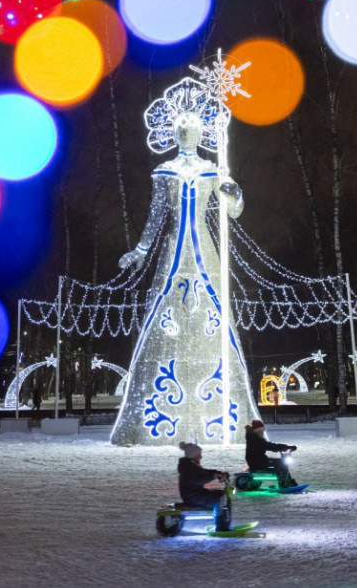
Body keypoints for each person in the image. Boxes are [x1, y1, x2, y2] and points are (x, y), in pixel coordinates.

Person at [109, 87, 260, 446]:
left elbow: (233, 211)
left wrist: (234, 192)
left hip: (206, 252)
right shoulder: (164, 172)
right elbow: (157, 216)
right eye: (181, 126)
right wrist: (142, 250)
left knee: (216, 316)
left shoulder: (212, 170)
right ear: (173, 133)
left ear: (202, 132)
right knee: (164, 317)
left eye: (193, 127)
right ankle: (153, 419)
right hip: (173, 253)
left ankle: (224, 414)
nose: (187, 132)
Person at [177, 441, 231, 531]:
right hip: (192, 496)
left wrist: (218, 473)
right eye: (199, 455)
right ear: (193, 456)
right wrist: (213, 476)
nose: (201, 457)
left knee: (221, 494)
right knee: (218, 500)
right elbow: (198, 479)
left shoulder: (191, 465)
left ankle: (224, 521)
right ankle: (221, 527)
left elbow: (204, 472)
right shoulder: (188, 468)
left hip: (195, 493)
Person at [245, 419, 298, 488]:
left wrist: (286, 447)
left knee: (280, 462)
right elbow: (270, 446)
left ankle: (287, 481)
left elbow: (270, 445)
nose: (263, 433)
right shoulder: (255, 440)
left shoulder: (256, 438)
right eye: (261, 431)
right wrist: (285, 447)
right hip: (257, 462)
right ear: (257, 431)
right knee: (281, 463)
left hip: (259, 460)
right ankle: (284, 482)